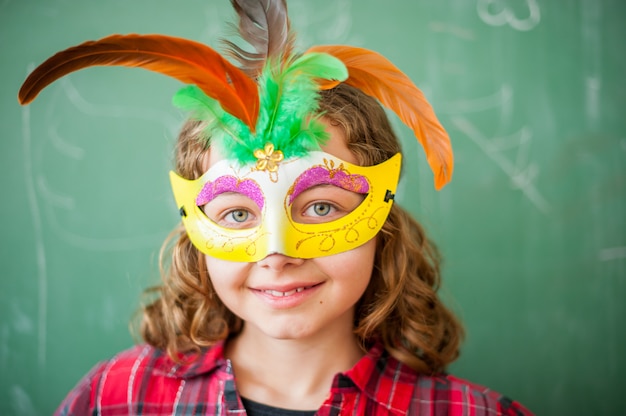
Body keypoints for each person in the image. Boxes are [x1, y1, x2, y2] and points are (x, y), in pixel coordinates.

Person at [19, 1, 532, 415]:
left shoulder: (471, 412)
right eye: (238, 214)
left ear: (381, 220)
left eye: (323, 208)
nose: (277, 252)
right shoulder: (118, 400)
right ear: (193, 228)